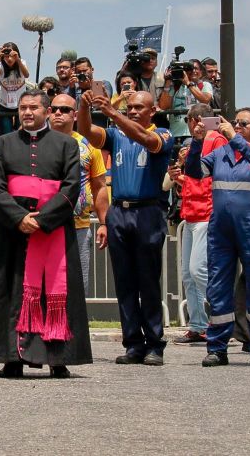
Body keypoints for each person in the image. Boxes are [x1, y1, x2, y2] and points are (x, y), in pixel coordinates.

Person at [0, 91, 91, 378]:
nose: (27, 112)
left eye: (33, 107)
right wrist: (19, 218)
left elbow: (70, 188)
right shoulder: (2, 144)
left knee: (55, 292)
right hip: (13, 231)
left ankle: (58, 358)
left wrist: (42, 219)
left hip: (51, 229)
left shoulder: (67, 144)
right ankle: (11, 358)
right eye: (23, 107)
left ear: (45, 110)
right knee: (12, 294)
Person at [78, 90, 174, 366]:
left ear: (152, 110)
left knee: (148, 281)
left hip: (148, 211)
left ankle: (155, 344)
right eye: (129, 107)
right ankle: (133, 343)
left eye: (138, 108)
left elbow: (146, 140)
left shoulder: (164, 134)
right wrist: (84, 106)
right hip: (120, 210)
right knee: (125, 282)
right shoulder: (117, 134)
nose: (132, 111)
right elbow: (86, 131)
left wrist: (112, 112)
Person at [185, 109, 250, 366]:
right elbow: (194, 172)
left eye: (243, 124)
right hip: (221, 231)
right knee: (218, 288)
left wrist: (235, 138)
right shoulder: (219, 154)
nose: (237, 126)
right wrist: (196, 141)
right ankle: (217, 347)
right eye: (235, 123)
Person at [168, 105, 227, 344]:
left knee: (198, 271)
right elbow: (196, 180)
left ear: (194, 120)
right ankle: (199, 325)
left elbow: (214, 177)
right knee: (188, 275)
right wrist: (179, 177)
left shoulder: (216, 139)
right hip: (192, 213)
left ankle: (223, 316)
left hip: (206, 213)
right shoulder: (198, 141)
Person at [47, 94, 108, 293]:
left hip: (79, 227)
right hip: (44, 226)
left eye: (64, 110)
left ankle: (76, 325)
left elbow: (99, 186)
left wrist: (104, 223)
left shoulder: (89, 145)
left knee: (78, 286)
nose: (58, 113)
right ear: (48, 113)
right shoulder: (35, 142)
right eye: (54, 109)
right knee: (45, 283)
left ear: (75, 115)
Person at [160, 59, 213, 138]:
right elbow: (164, 106)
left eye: (196, 68)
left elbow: (205, 99)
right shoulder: (176, 86)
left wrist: (188, 83)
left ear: (201, 72)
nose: (193, 71)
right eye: (190, 69)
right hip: (175, 133)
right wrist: (168, 81)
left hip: (197, 133)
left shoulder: (205, 85)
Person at [0, 42, 29, 135]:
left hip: (20, 104)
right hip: (4, 105)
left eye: (11, 56)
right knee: (6, 133)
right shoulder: (0, 65)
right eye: (6, 56)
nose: (9, 59)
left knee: (21, 132)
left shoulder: (21, 62)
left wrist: (18, 60)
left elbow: (27, 75)